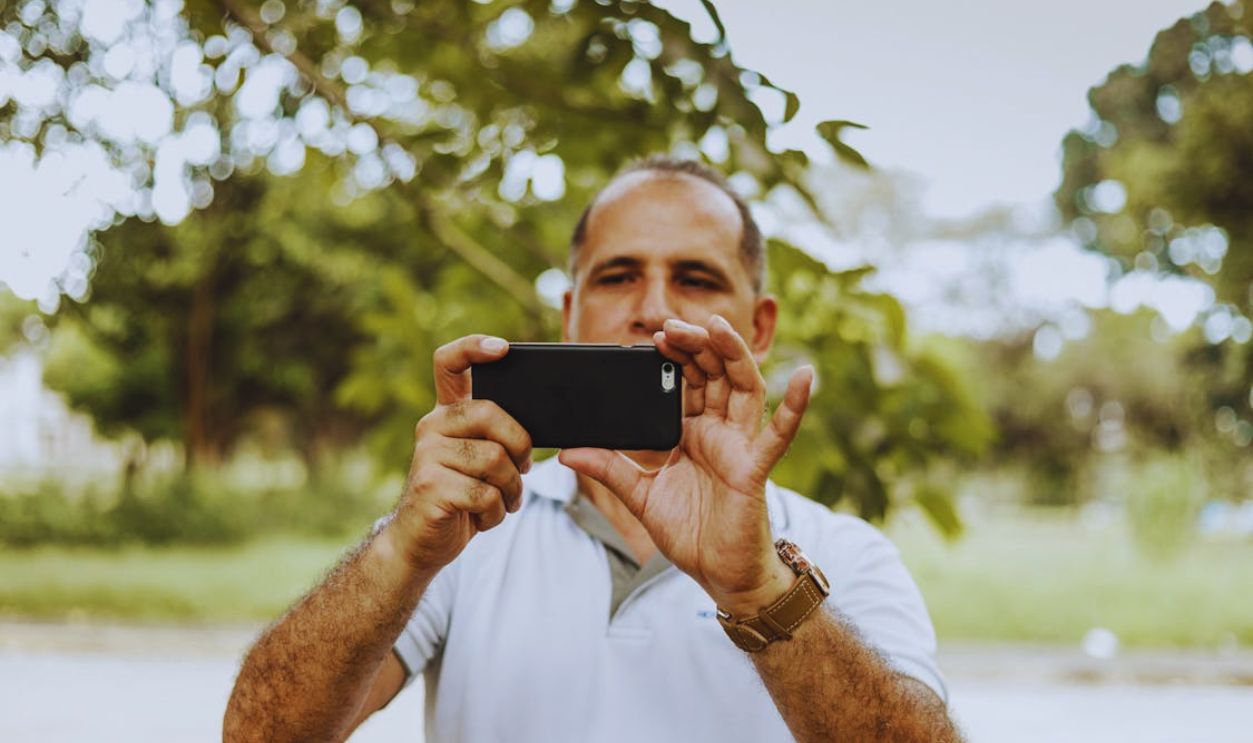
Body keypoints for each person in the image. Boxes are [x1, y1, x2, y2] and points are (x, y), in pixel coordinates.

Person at [223, 157, 963, 742]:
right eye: (618, 275)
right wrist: (400, 551)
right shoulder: (465, 530)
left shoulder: (846, 556)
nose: (654, 307)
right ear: (570, 311)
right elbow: (258, 735)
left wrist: (759, 591)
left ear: (759, 326)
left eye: (696, 277)